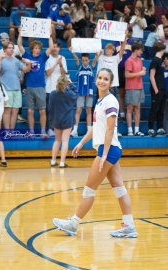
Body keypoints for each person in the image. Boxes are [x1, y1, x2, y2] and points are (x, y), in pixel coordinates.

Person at [52, 68, 138, 238]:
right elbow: (96, 128)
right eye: (100, 78)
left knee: (89, 189)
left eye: (106, 79)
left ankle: (73, 224)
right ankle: (129, 226)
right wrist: (81, 143)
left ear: (110, 82)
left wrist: (104, 154)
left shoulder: (110, 101)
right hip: (109, 150)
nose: (102, 81)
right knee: (119, 189)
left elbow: (110, 130)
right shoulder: (100, 101)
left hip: (109, 150)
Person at [18, 28, 53, 138]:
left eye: (39, 48)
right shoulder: (27, 56)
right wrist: (20, 33)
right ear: (32, 49)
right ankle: (32, 131)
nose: (38, 50)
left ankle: (43, 131)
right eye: (36, 48)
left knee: (42, 111)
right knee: (30, 112)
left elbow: (51, 47)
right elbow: (19, 45)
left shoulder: (42, 57)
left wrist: (50, 35)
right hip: (29, 87)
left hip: (40, 87)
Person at [0, 42, 32, 130]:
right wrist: (0, 60)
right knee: (7, 110)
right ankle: (7, 131)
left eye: (12, 48)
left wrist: (29, 63)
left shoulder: (16, 60)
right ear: (5, 50)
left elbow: (26, 69)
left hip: (17, 89)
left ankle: (11, 131)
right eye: (9, 48)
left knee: (15, 110)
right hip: (6, 89)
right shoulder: (1, 60)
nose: (11, 49)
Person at [49, 75, 79, 168]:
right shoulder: (69, 94)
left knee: (57, 140)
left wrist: (52, 120)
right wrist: (72, 84)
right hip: (67, 119)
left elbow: (50, 108)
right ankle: (62, 162)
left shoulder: (53, 93)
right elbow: (77, 94)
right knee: (65, 141)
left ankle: (53, 161)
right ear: (66, 84)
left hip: (56, 119)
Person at [45, 40, 67, 137]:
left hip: (59, 89)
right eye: (53, 46)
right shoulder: (48, 58)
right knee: (50, 110)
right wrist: (56, 64)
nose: (55, 48)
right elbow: (48, 73)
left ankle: (57, 129)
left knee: (59, 110)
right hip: (49, 89)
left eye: (57, 47)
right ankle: (50, 129)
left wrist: (61, 64)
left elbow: (63, 74)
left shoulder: (63, 58)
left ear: (59, 48)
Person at [70, 51, 94, 136]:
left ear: (89, 60)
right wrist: (73, 52)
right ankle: (75, 130)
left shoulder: (92, 67)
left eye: (86, 60)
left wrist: (98, 54)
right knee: (78, 110)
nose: (84, 62)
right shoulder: (79, 67)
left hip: (89, 92)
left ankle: (89, 130)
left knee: (88, 110)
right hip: (80, 92)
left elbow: (95, 61)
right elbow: (76, 59)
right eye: (83, 60)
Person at [125, 42, 146, 136]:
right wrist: (140, 73)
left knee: (138, 109)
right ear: (136, 50)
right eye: (140, 50)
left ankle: (136, 130)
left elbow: (142, 70)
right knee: (130, 109)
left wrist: (143, 70)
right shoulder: (129, 61)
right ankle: (130, 130)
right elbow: (127, 74)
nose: (141, 52)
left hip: (139, 86)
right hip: (131, 87)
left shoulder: (139, 60)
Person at [113, 32, 134, 122]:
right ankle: (122, 114)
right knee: (121, 92)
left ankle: (131, 115)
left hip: (130, 70)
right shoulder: (115, 44)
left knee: (130, 93)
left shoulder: (132, 42)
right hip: (119, 70)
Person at [148, 42, 167, 136]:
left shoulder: (161, 61)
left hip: (162, 88)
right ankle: (151, 128)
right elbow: (152, 76)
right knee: (154, 109)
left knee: (161, 109)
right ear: (162, 50)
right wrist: (156, 89)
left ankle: (160, 127)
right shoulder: (155, 61)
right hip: (157, 89)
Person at [163, 53, 168, 133]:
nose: (165, 60)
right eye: (164, 59)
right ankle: (165, 130)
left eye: (167, 59)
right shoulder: (161, 70)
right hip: (163, 95)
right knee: (164, 114)